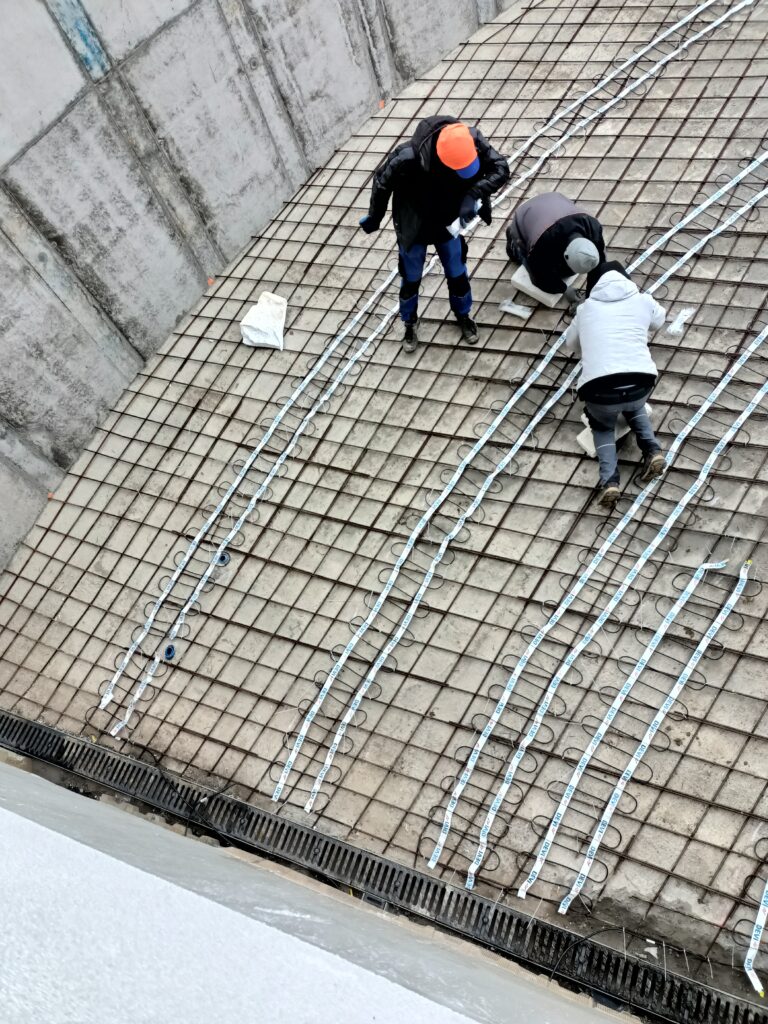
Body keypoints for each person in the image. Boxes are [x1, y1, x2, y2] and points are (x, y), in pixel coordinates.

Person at [360, 115, 510, 353]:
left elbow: (501, 168)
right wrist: (374, 216)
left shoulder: (470, 139)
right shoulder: (407, 158)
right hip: (414, 224)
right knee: (411, 276)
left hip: (447, 221)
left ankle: (463, 314)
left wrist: (474, 194)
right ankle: (410, 322)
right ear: (443, 161)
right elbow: (381, 183)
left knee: (456, 271)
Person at [564, 261, 666, 510]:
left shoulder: (585, 309)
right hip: (640, 381)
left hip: (600, 389)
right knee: (633, 404)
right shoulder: (643, 300)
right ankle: (652, 450)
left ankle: (610, 480)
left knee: (602, 426)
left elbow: (571, 344)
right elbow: (659, 322)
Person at [505, 192, 605, 311]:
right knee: (520, 259)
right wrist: (564, 289)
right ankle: (512, 237)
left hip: (552, 200)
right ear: (565, 255)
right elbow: (539, 277)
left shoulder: (593, 227)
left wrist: (590, 296)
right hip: (525, 214)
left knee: (565, 271)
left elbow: (600, 264)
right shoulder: (541, 244)